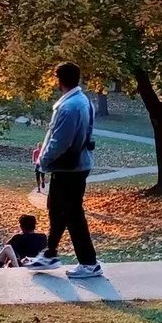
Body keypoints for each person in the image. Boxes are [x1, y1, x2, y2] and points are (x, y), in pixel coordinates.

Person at [26, 61, 102, 278]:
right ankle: (50, 254)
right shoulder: (83, 101)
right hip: (75, 165)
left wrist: (42, 161)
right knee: (57, 211)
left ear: (59, 79)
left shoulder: (69, 107)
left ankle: (89, 263)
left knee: (73, 215)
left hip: (70, 168)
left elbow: (60, 141)